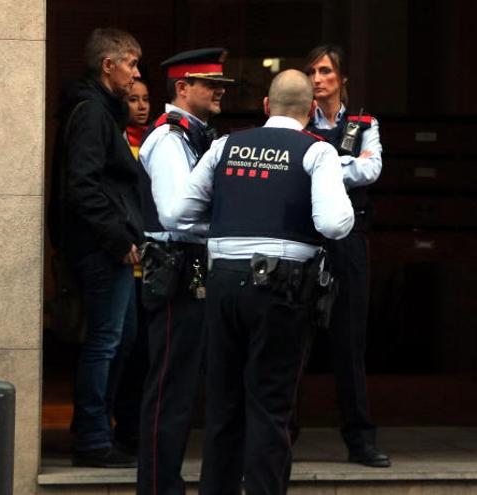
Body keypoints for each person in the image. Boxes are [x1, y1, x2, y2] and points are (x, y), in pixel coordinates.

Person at [178, 70, 354, 495]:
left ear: (265, 107)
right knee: (270, 409)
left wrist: (227, 232)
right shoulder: (317, 151)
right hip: (282, 290)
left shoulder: (224, 146)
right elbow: (334, 223)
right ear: (312, 111)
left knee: (223, 407)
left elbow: (177, 213)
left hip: (222, 282)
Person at [135, 48, 234, 495]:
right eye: (209, 83)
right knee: (171, 390)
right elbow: (176, 215)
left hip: (194, 266)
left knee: (185, 387)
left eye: (220, 84)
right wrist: (229, 223)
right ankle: (158, 487)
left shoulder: (194, 136)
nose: (218, 91)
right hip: (178, 267)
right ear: (182, 88)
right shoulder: (169, 139)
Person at [48, 27, 144, 468]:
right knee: (106, 341)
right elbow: (82, 186)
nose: (135, 73)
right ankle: (91, 438)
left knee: (119, 339)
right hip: (101, 249)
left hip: (105, 245)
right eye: (131, 64)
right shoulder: (92, 113)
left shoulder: (101, 111)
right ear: (109, 66)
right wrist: (118, 237)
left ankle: (94, 428)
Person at [301, 44, 390, 468]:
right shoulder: (298, 121)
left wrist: (323, 167)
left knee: (349, 343)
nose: (317, 79)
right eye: (312, 72)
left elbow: (371, 171)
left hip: (350, 242)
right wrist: (343, 164)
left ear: (342, 78)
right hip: (306, 241)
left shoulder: (364, 122)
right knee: (295, 340)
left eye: (325, 71)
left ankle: (360, 440)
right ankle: (284, 433)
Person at [110, 73, 152, 456]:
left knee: (140, 351)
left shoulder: (156, 140)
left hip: (148, 264)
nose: (141, 105)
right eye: (133, 99)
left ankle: (130, 426)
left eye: (145, 98)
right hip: (125, 260)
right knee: (120, 347)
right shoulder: (117, 140)